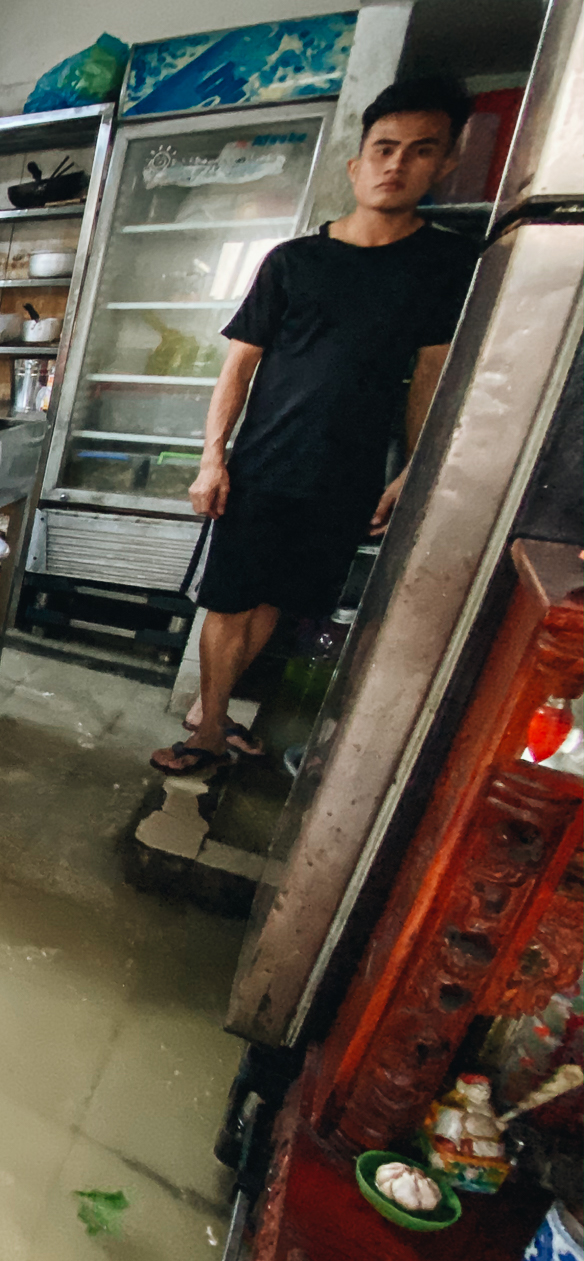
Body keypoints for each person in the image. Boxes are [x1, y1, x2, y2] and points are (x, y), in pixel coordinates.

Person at [152, 76, 480, 777]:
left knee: (277, 598)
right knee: (230, 597)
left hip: (349, 473)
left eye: (420, 151)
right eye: (384, 148)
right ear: (357, 164)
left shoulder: (445, 262)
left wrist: (409, 471)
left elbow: (430, 378)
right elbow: (237, 370)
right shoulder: (294, 262)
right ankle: (208, 727)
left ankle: (217, 714)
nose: (397, 164)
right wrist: (213, 459)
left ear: (445, 165)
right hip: (264, 462)